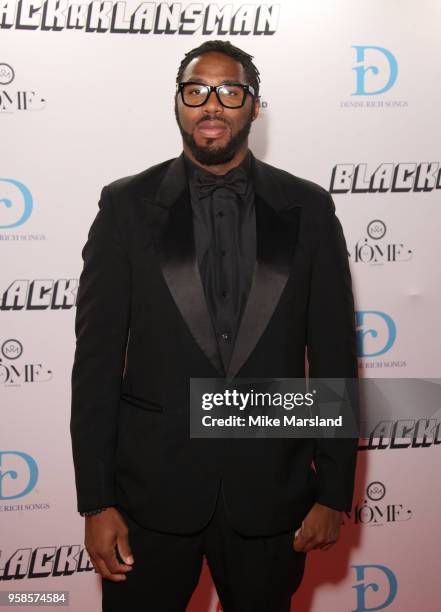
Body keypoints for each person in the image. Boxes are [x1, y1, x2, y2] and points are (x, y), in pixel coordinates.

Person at [70, 40, 358, 612]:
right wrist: (96, 502)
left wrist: (332, 491)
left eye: (230, 92)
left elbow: (332, 354)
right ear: (177, 103)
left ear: (254, 105)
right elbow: (97, 362)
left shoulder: (309, 209)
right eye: (196, 90)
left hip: (271, 498)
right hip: (148, 500)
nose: (211, 105)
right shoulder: (125, 207)